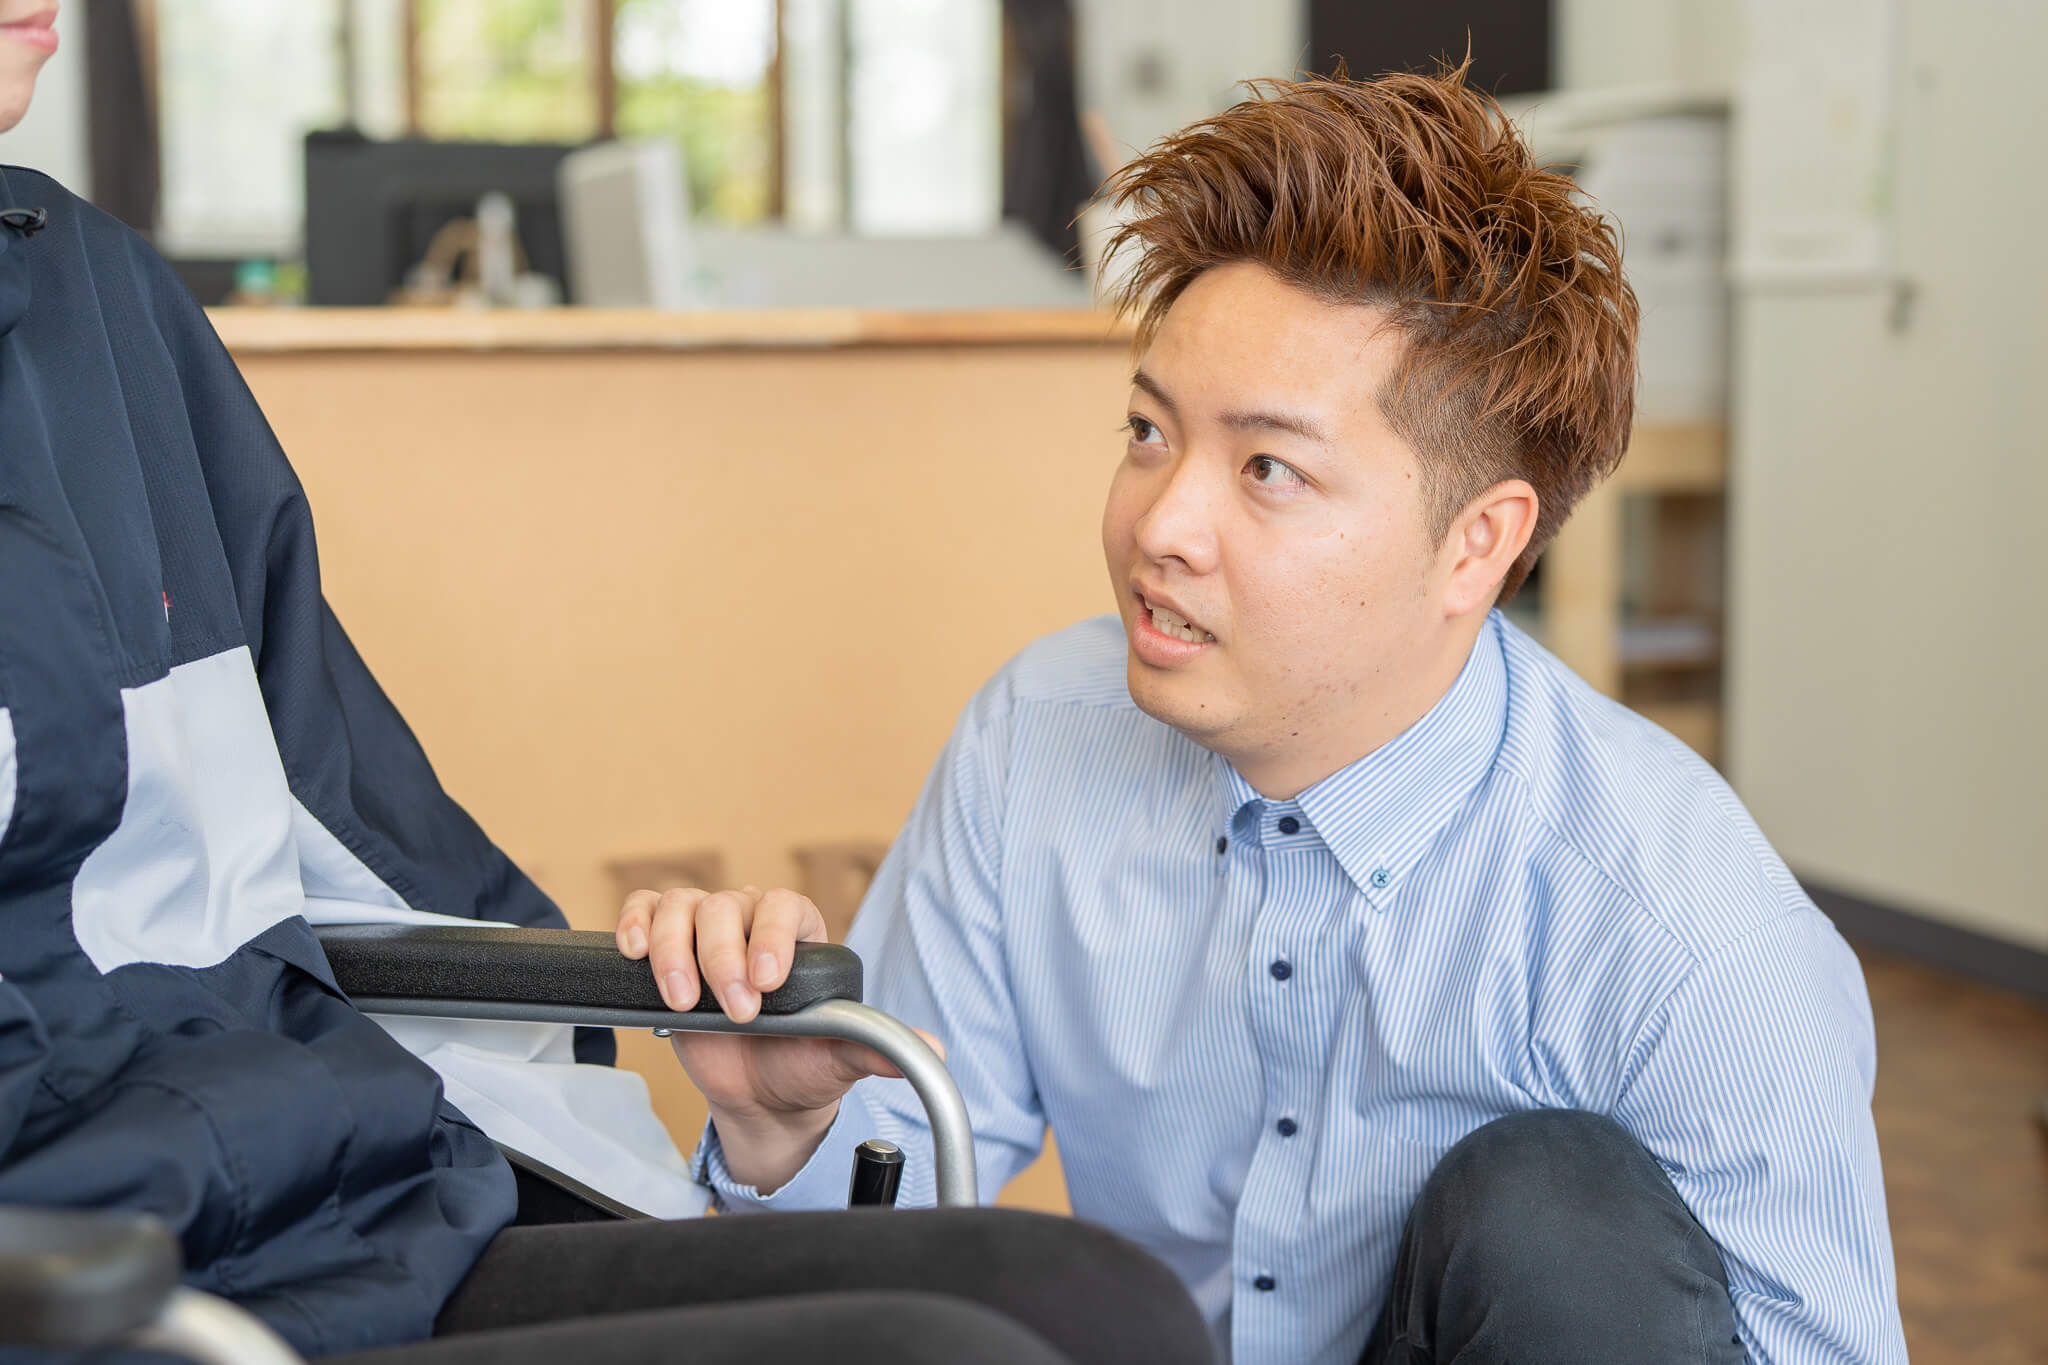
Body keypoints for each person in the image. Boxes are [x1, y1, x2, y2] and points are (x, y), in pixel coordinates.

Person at [622, 62, 1910, 1365]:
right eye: (1148, 432)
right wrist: (783, 1129)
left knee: (1555, 1216)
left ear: (1477, 544)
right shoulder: (1038, 740)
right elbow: (900, 1239)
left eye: (1270, 468)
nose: (1161, 526)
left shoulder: (1686, 934)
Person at [0, 8, 1210, 1363]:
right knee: (947, 1354)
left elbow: (367, 845)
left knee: (1089, 1304)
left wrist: (662, 1149)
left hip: (333, 1195)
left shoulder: (93, 292)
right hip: (91, 1269)